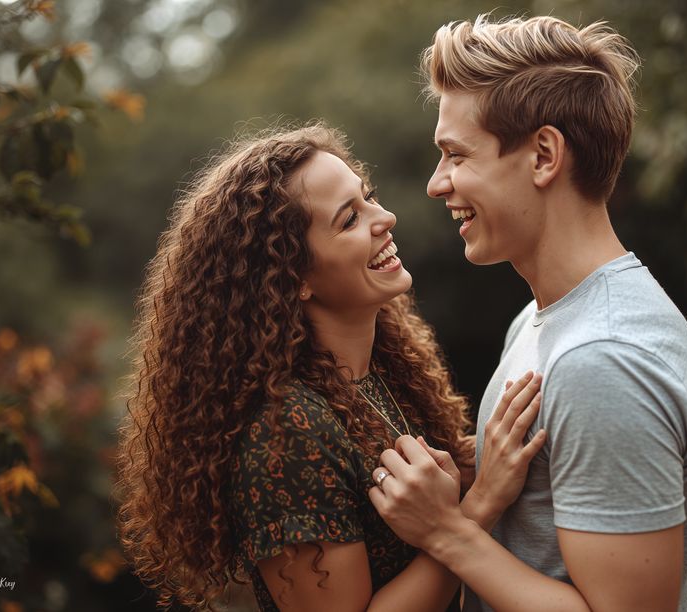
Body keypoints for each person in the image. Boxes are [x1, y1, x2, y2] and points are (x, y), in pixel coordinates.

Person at [369, 15, 687, 612]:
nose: (437, 184)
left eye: (457, 155)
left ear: (542, 156)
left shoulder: (603, 359)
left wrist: (445, 532)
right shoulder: (541, 320)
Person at [115, 123, 544, 611]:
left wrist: (477, 465)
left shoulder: (384, 373)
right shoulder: (285, 433)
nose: (385, 218)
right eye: (348, 220)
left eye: (369, 198)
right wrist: (480, 504)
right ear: (291, 278)